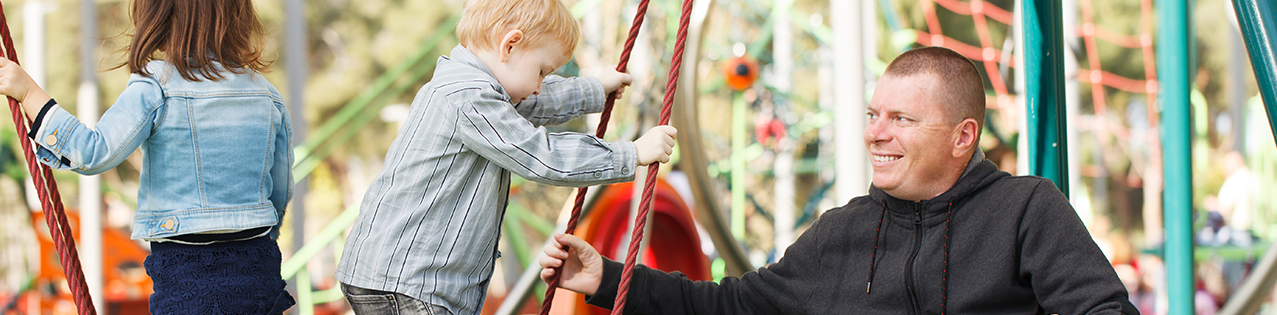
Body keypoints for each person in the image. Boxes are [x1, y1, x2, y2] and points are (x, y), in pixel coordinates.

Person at [539, 46, 1139, 314]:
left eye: (901, 119)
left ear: (963, 137)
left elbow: (1104, 311)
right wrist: (604, 278)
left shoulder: (1025, 209)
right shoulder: (842, 234)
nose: (876, 133)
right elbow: (729, 305)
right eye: (874, 115)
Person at [334, 0, 677, 314]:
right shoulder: (469, 97)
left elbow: (533, 102)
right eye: (543, 71)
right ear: (509, 45)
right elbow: (542, 155)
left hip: (400, 277)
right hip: (410, 282)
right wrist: (630, 152)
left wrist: (593, 89)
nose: (541, 84)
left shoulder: (473, 85)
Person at [0, 0, 294, 313]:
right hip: (257, 264)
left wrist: (30, 93)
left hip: (188, 270)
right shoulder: (266, 93)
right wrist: (256, 233)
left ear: (158, 16)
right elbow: (281, 186)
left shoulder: (157, 84)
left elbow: (93, 152)